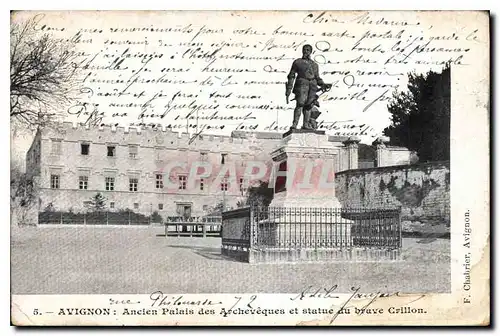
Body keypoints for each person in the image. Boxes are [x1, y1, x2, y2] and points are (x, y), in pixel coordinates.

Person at [285, 44, 328, 130]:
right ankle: (295, 124)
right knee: (300, 104)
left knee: (309, 106)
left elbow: (317, 77)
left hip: (312, 86)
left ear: (311, 51)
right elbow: (291, 75)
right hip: (302, 84)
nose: (306, 51)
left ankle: (306, 124)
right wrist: (289, 89)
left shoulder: (315, 65)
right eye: (304, 50)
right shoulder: (297, 62)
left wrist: (323, 84)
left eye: (308, 50)